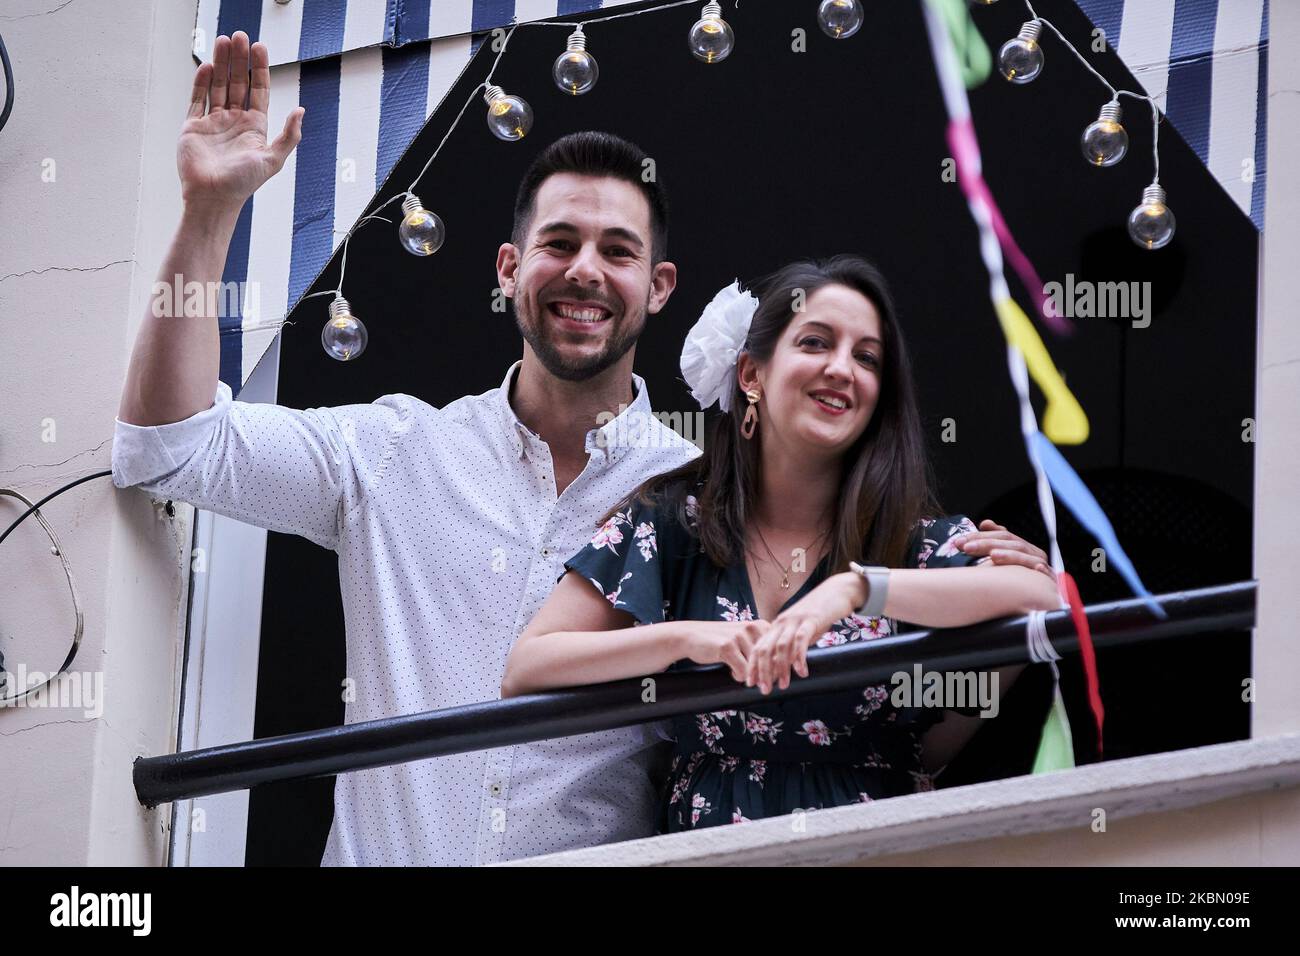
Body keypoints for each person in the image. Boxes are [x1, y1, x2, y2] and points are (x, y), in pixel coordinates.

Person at [113, 32, 1047, 862]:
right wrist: (209, 216)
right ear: (510, 270)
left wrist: (962, 582)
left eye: (619, 250)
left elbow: (888, 675)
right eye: (559, 242)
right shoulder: (391, 449)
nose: (587, 270)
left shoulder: (698, 495)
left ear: (660, 286)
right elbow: (170, 450)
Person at [502, 255, 1062, 831]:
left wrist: (856, 588)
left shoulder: (907, 539)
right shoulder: (675, 521)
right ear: (751, 374)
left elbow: (1041, 596)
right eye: (816, 343)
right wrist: (693, 639)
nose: (843, 369)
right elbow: (529, 666)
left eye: (866, 357)